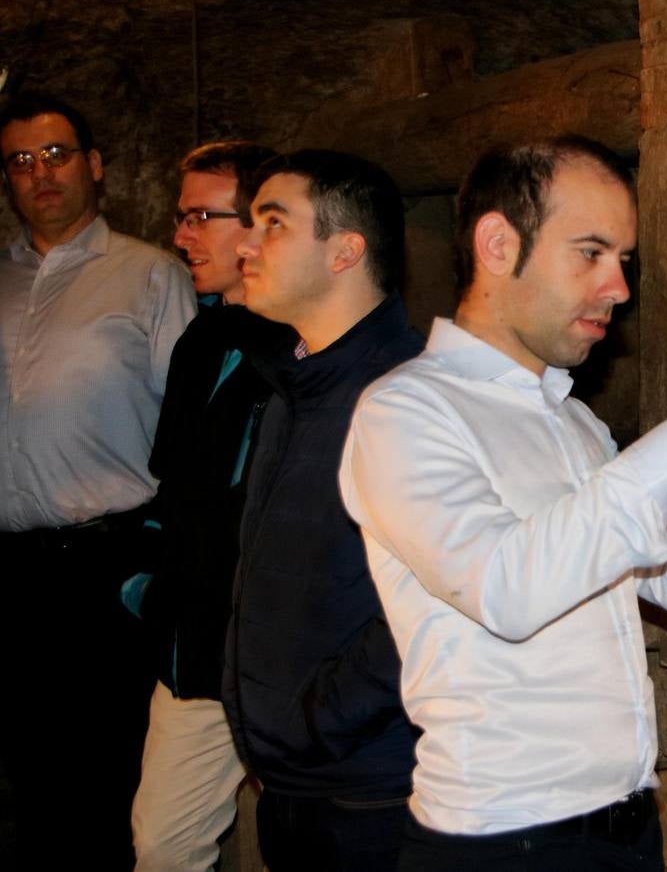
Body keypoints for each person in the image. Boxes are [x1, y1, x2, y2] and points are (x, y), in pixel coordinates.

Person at [338, 136, 667, 870]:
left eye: (626, 263)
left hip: (623, 828)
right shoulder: (404, 412)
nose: (619, 288)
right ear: (496, 243)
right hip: (500, 843)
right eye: (591, 253)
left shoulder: (573, 421)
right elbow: (507, 589)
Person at [0, 92, 197, 868]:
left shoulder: (150, 276)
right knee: (31, 779)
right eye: (20, 161)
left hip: (107, 563)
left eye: (55, 155)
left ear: (94, 165)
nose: (40, 174)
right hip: (11, 569)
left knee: (117, 778)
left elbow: (189, 439)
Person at [221, 149, 424, 872]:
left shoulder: (409, 400)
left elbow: (434, 598)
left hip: (370, 794)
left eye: (272, 224)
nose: (244, 244)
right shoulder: (293, 389)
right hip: (295, 783)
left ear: (345, 250)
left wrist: (321, 720)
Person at [128, 140, 285, 872]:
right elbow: (178, 485)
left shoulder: (310, 344)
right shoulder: (201, 337)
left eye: (200, 217)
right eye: (181, 216)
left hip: (282, 655)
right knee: (162, 846)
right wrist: (148, 588)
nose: (181, 235)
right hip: (194, 651)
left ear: (261, 224)